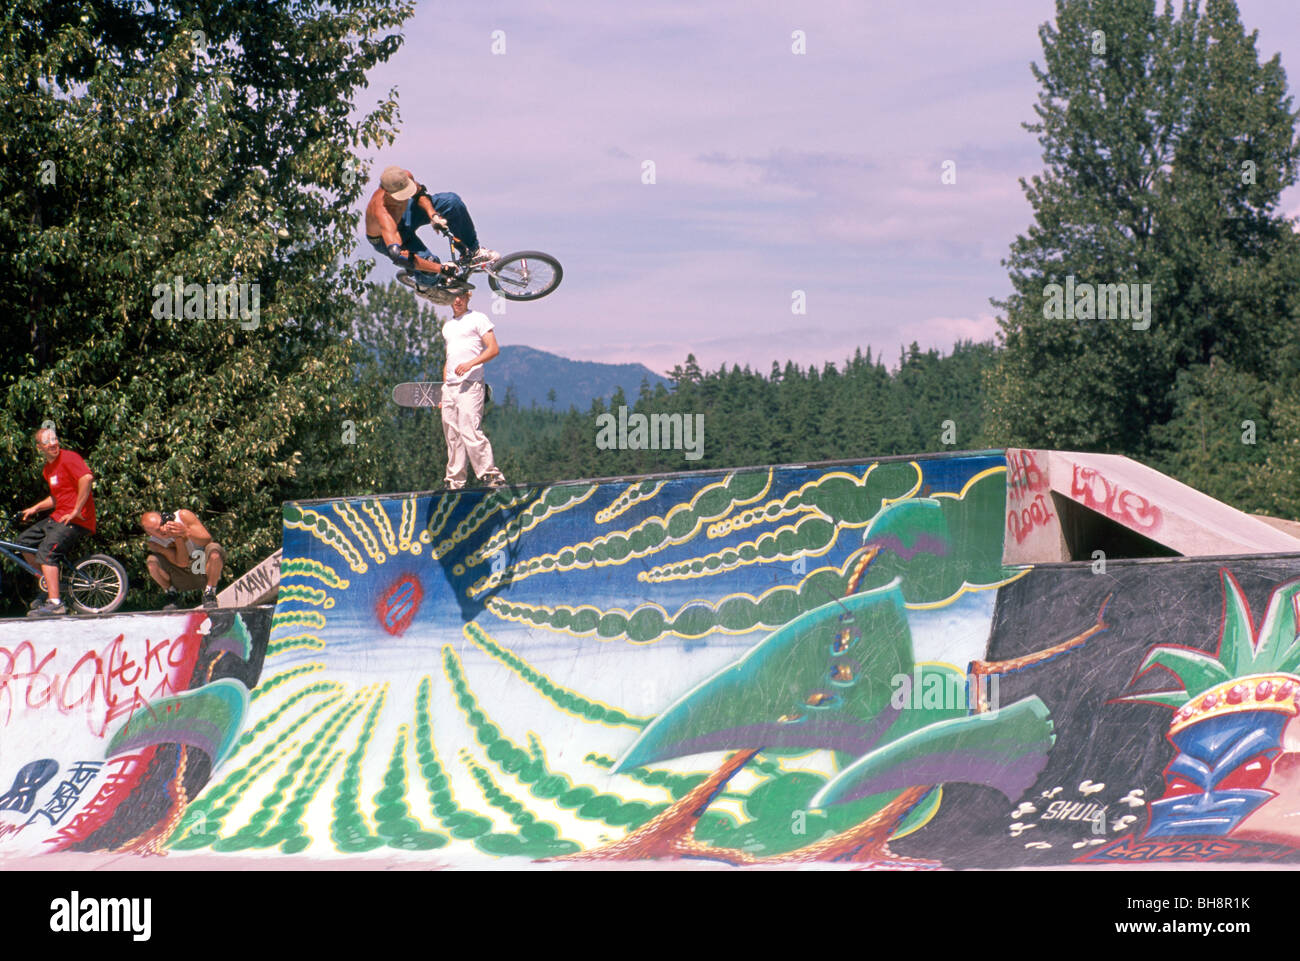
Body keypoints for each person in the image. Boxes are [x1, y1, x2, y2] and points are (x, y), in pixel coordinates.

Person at [364, 166, 498, 279]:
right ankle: (429, 286)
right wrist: (441, 269)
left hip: (408, 214)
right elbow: (399, 256)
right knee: (430, 266)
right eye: (401, 195)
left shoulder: (403, 178)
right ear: (388, 193)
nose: (405, 196)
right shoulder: (382, 213)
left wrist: (433, 215)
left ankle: (472, 251)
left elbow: (420, 194)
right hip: (387, 237)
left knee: (452, 202)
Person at [18, 428, 96, 617]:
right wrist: (35, 508)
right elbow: (56, 497)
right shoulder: (48, 469)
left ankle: (55, 603)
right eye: (47, 442)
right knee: (23, 543)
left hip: (78, 519)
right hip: (58, 516)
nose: (53, 443)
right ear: (40, 448)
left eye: (54, 439)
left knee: (47, 552)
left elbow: (86, 478)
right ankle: (47, 586)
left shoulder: (69, 458)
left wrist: (76, 510)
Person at [440, 287, 507, 489]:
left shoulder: (478, 318)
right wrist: (444, 389)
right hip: (450, 386)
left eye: (461, 296)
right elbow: (449, 358)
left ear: (468, 297)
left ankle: (490, 474)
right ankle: (454, 480)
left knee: (470, 429)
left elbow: (493, 349)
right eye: (453, 297)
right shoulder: (448, 326)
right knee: (452, 434)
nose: (457, 300)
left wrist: (471, 364)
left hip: (470, 384)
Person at [141, 509, 225, 609]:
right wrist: (178, 538)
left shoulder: (183, 516)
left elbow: (207, 540)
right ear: (149, 533)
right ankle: (172, 593)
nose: (163, 529)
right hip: (183, 575)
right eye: (157, 530)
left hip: (201, 565)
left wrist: (186, 531)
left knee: (214, 549)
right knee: (152, 562)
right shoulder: (155, 543)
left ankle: (210, 593)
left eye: (162, 524)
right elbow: (182, 563)